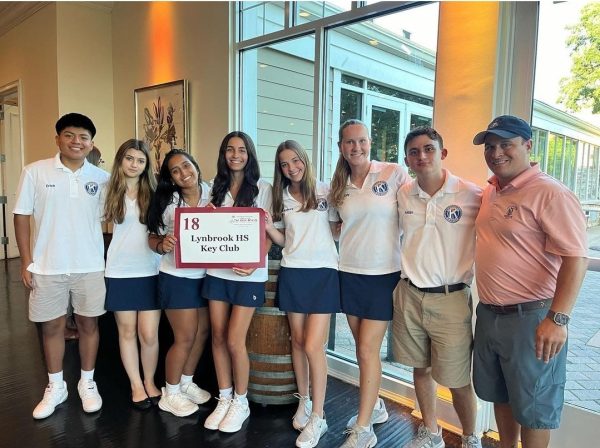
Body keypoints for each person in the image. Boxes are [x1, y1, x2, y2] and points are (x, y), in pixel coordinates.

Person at [472, 115, 588, 448]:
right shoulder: (491, 190)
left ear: (527, 145)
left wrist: (558, 319)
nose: (496, 153)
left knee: (535, 408)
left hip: (533, 319)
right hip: (491, 315)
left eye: (506, 144)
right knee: (501, 393)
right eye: (490, 146)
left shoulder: (550, 193)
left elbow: (576, 257)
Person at [13, 113, 109, 419]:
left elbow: (115, 219)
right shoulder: (35, 172)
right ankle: (56, 386)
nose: (76, 142)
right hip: (48, 266)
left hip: (91, 265)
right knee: (52, 327)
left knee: (88, 325)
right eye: (69, 135)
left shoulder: (102, 178)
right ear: (58, 139)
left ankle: (87, 382)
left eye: (83, 137)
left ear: (91, 143)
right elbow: (21, 215)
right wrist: (27, 260)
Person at [392, 127, 482, 448]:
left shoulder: (472, 195)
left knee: (458, 380)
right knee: (421, 368)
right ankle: (431, 433)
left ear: (442, 154)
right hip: (409, 294)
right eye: (414, 152)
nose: (422, 156)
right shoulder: (402, 194)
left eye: (429, 149)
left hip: (451, 298)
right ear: (407, 160)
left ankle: (471, 438)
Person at [330, 119, 410, 448]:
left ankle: (364, 429)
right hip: (348, 273)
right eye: (350, 142)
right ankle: (374, 406)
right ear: (341, 147)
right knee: (363, 349)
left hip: (383, 275)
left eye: (362, 141)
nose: (357, 147)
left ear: (370, 142)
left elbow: (413, 215)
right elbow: (335, 228)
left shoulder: (392, 174)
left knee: (366, 350)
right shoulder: (338, 184)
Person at [265, 140, 340, 448]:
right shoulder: (280, 197)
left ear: (305, 160)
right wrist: (269, 228)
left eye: (295, 161)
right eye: (284, 164)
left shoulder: (325, 191)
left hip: (324, 273)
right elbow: (285, 240)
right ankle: (305, 400)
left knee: (312, 344)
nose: (291, 167)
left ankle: (319, 417)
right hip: (293, 271)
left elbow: (337, 228)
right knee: (297, 341)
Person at [202, 131, 273, 433]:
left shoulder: (263, 188)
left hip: (248, 276)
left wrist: (255, 260)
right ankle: (225, 396)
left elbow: (270, 231)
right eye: (230, 149)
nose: (235, 155)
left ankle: (241, 401)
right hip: (216, 272)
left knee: (234, 340)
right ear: (223, 154)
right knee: (217, 337)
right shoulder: (212, 188)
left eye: (242, 150)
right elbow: (203, 229)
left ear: (250, 154)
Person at [147, 149, 212, 417]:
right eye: (175, 170)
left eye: (186, 166)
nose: (184, 173)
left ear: (195, 165)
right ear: (171, 178)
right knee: (184, 337)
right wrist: (163, 244)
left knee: (202, 332)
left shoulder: (214, 194)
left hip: (208, 277)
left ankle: (186, 382)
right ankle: (170, 393)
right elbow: (152, 236)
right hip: (177, 277)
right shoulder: (167, 202)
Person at [102, 139, 161, 410]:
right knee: (126, 332)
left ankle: (150, 381)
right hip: (120, 270)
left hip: (151, 269)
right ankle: (136, 385)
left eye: (140, 160)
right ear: (120, 159)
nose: (134, 164)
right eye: (129, 158)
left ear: (146, 164)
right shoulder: (107, 190)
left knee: (148, 333)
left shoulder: (156, 191)